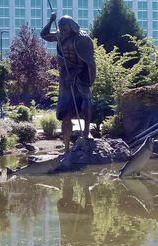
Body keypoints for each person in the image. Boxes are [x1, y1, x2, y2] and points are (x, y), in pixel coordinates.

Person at [41, 13, 96, 152]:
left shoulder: (81, 39)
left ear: (71, 27)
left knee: (86, 102)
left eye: (65, 28)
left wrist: (81, 77)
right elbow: (44, 34)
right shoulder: (60, 36)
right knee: (66, 114)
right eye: (60, 28)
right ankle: (66, 149)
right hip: (66, 78)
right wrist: (51, 20)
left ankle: (86, 131)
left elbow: (88, 63)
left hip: (81, 77)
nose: (63, 31)